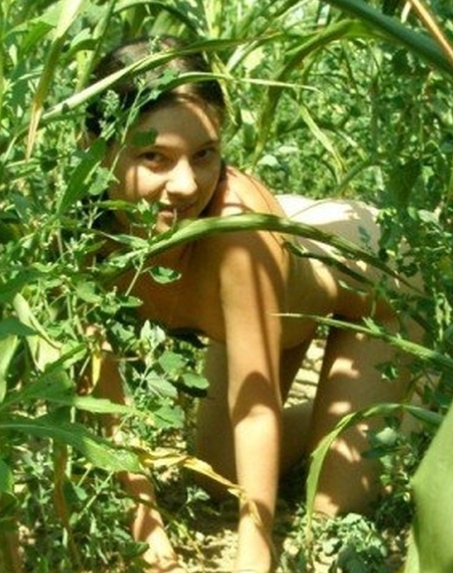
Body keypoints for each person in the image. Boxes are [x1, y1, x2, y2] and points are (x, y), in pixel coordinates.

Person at [84, 36, 422, 573]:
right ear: (96, 148)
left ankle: (413, 402)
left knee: (331, 509)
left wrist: (256, 550)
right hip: (285, 282)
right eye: (154, 157)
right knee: (218, 477)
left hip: (378, 291)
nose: (186, 184)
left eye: (205, 154)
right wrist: (142, 516)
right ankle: (343, 415)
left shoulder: (237, 236)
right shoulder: (80, 235)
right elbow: (101, 395)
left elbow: (255, 410)